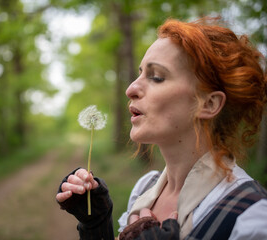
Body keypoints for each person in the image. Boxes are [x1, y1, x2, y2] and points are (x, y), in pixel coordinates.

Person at [56, 17, 267, 240]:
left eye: (156, 77)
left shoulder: (252, 217)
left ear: (209, 104)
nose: (131, 89)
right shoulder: (145, 188)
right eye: (139, 73)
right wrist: (96, 225)